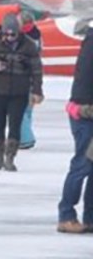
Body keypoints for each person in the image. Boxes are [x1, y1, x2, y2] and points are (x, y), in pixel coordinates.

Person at [0, 14, 43, 172]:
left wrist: (37, 90)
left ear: (18, 32)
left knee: (15, 126)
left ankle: (10, 157)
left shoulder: (28, 45)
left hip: (19, 93)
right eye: (6, 34)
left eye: (13, 34)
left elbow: (37, 69)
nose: (9, 37)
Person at [57, 20, 93, 233]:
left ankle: (90, 216)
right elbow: (85, 84)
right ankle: (66, 214)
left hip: (84, 111)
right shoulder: (91, 45)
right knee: (82, 164)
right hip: (85, 113)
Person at [19, 11, 43, 149]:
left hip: (22, 74)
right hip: (35, 72)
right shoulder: (38, 34)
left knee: (20, 108)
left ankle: (26, 138)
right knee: (28, 108)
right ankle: (25, 135)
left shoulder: (21, 36)